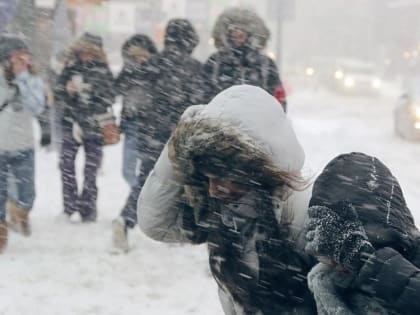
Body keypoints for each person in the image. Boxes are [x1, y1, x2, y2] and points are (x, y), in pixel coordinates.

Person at [137, 85, 317, 314]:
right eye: (207, 178)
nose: (212, 190)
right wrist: (180, 146)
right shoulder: (222, 213)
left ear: (256, 171)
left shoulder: (300, 211)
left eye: (222, 177)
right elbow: (156, 224)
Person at [111, 19, 203, 252]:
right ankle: (178, 228)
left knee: (146, 181)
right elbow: (202, 103)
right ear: (190, 40)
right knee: (185, 183)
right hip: (183, 136)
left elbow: (133, 93)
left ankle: (125, 220)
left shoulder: (152, 64)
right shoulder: (194, 68)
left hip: (152, 134)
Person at [305, 152, 420, 315]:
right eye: (330, 253)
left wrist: (371, 264)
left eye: (345, 249)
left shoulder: (411, 263)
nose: (336, 263)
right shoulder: (325, 283)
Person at [54, 32, 115, 222]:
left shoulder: (103, 71)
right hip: (70, 124)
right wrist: (67, 91)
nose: (85, 56)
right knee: (66, 165)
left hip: (94, 127)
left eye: (89, 53)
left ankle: (88, 208)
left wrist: (91, 93)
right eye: (83, 52)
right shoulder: (70, 68)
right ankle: (69, 206)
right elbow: (57, 92)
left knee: (90, 170)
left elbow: (109, 97)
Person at [0, 34, 46, 252]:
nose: (22, 60)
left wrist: (22, 79)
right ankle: (1, 234)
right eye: (17, 57)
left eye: (24, 56)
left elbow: (38, 107)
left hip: (24, 146)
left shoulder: (32, 80)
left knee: (28, 195)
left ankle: (20, 212)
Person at [202, 7, 287, 112]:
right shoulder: (215, 62)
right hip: (220, 124)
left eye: (242, 31)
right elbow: (203, 94)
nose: (238, 35)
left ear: (250, 34)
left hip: (256, 123)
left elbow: (278, 97)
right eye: (234, 31)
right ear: (227, 34)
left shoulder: (265, 64)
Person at [115, 34, 157, 189]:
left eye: (143, 54)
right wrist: (130, 71)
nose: (139, 59)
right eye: (135, 55)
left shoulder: (156, 70)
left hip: (150, 125)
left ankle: (137, 200)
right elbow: (115, 89)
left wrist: (146, 68)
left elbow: (161, 93)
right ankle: (137, 195)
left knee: (149, 169)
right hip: (131, 123)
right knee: (127, 170)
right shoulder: (127, 71)